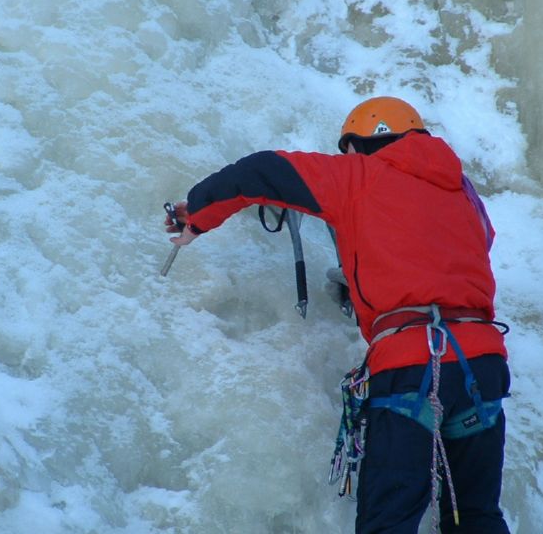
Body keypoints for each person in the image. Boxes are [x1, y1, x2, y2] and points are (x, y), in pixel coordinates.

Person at [164, 96, 510, 534]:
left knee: (388, 522)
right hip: (482, 365)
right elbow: (458, 249)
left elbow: (262, 171)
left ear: (361, 145)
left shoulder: (357, 175)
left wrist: (196, 214)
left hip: (412, 365)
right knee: (476, 515)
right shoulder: (463, 191)